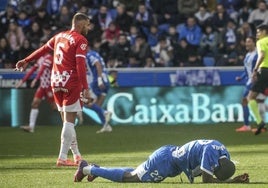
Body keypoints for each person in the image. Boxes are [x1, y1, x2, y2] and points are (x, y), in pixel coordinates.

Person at [15, 13, 92, 166]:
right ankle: (62, 157)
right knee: (70, 122)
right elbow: (80, 65)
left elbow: (43, 49)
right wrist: (85, 87)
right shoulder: (81, 40)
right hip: (71, 81)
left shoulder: (59, 36)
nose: (88, 28)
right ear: (82, 25)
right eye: (87, 25)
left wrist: (26, 60)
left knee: (67, 122)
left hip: (56, 81)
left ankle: (77, 155)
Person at [73, 139, 249, 183]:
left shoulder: (222, 151)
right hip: (165, 163)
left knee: (136, 172)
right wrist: (232, 181)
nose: (211, 169)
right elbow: (207, 180)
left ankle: (96, 169)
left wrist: (231, 178)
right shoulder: (212, 154)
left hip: (169, 155)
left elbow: (212, 173)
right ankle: (88, 169)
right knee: (131, 178)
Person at [15, 40, 56, 133]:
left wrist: (35, 79)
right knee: (34, 103)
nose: (40, 49)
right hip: (42, 86)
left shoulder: (49, 58)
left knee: (55, 107)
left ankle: (74, 114)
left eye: (42, 47)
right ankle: (31, 127)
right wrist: (22, 81)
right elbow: (32, 70)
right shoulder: (40, 59)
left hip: (50, 86)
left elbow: (42, 70)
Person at [235, 36, 267, 132]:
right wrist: (241, 77)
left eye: (249, 41)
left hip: (254, 80)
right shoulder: (248, 54)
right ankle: (257, 124)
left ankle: (249, 125)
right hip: (249, 80)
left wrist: (256, 76)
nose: (247, 44)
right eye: (246, 41)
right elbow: (247, 70)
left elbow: (257, 68)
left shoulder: (257, 54)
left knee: (246, 100)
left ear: (254, 43)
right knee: (249, 101)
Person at [82, 49, 112, 133]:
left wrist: (99, 80)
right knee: (97, 105)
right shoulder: (95, 53)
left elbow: (98, 65)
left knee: (86, 102)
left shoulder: (89, 55)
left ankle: (105, 112)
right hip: (106, 81)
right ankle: (106, 126)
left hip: (98, 82)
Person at [247, 24, 268, 135]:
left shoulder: (261, 42)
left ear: (265, 32)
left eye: (259, 32)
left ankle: (260, 122)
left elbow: (262, 55)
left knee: (250, 97)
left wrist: (255, 69)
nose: (257, 34)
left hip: (264, 70)